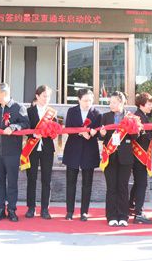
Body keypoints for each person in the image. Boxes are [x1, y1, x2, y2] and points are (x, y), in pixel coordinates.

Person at [0, 83, 29, 222]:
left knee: (12, 182)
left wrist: (13, 127)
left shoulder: (18, 107)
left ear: (4, 94)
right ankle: (0, 209)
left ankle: (11, 210)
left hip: (12, 152)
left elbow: (26, 124)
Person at [62, 88, 101, 221]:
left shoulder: (97, 113)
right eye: (85, 100)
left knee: (87, 183)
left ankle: (84, 212)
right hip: (73, 150)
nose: (88, 103)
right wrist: (80, 132)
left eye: (90, 100)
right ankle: (69, 211)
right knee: (70, 182)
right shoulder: (72, 111)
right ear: (79, 100)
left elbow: (99, 132)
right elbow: (68, 129)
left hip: (89, 151)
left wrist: (93, 133)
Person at [99, 91, 135, 227]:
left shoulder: (130, 117)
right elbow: (101, 137)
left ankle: (123, 216)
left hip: (125, 156)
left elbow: (135, 137)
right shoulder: (105, 117)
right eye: (110, 102)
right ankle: (111, 216)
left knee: (123, 187)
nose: (111, 104)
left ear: (121, 102)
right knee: (111, 187)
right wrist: (102, 134)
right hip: (110, 156)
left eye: (114, 102)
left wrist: (133, 130)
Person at [25, 85, 55, 220]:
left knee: (46, 179)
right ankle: (31, 208)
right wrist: (33, 134)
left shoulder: (51, 113)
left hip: (47, 149)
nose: (46, 99)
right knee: (31, 178)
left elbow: (56, 130)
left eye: (48, 96)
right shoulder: (29, 111)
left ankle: (45, 209)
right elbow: (25, 128)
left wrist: (52, 132)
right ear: (37, 96)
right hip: (32, 148)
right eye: (44, 96)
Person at [129, 92, 152, 224]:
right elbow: (141, 137)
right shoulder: (138, 117)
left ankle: (131, 206)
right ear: (141, 104)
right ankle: (139, 213)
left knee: (138, 182)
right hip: (139, 155)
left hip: (139, 155)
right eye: (149, 104)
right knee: (142, 183)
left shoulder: (142, 115)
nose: (151, 106)